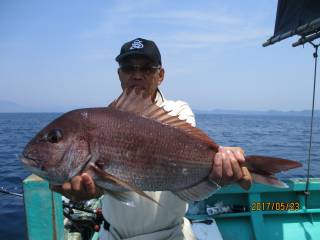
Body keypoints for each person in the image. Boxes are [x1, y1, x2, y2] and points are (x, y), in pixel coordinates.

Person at [51, 38, 247, 240]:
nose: (137, 75)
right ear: (119, 74)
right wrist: (92, 185)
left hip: (170, 235)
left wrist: (223, 161)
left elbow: (186, 150)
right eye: (128, 68)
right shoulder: (105, 119)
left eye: (146, 69)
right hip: (113, 234)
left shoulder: (177, 111)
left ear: (160, 75)